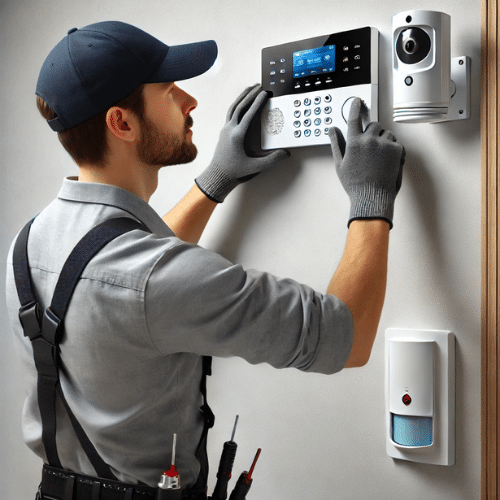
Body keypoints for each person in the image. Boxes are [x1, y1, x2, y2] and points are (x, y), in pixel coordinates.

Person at [5, 21, 405, 500]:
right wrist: (371, 200)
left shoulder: (27, 244)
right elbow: (350, 337)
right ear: (122, 123)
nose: (189, 101)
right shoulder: (150, 280)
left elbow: (123, 279)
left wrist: (214, 181)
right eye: (169, 90)